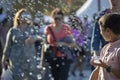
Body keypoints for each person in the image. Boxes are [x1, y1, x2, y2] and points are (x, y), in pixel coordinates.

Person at [1, 8, 43, 80]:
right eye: (22, 16)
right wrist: (3, 60)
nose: (24, 18)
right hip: (15, 63)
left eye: (26, 16)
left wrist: (35, 38)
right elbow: (7, 47)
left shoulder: (32, 29)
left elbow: (42, 38)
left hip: (29, 62)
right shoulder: (13, 30)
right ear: (18, 18)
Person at [44, 8, 76, 80]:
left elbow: (73, 44)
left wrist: (63, 43)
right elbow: (44, 44)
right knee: (54, 77)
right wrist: (42, 61)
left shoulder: (66, 28)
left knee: (63, 78)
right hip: (52, 57)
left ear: (62, 19)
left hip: (64, 57)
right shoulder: (48, 28)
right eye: (56, 18)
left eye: (59, 19)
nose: (57, 20)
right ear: (52, 18)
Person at [89, 13, 120, 80]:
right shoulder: (105, 48)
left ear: (108, 31)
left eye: (101, 30)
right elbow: (98, 71)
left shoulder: (118, 50)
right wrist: (98, 64)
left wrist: (107, 67)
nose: (100, 33)